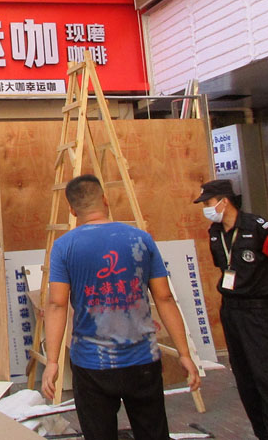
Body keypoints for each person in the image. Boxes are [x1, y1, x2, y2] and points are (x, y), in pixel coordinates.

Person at [42, 174, 200, 440]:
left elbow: (57, 304)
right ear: (105, 200)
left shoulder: (64, 247)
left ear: (72, 209)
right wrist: (184, 353)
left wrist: (52, 361)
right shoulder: (141, 239)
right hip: (142, 360)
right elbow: (164, 298)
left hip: (91, 364)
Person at [194, 179, 268, 440]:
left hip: (257, 312)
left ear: (224, 201)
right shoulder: (215, 232)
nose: (206, 209)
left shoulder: (257, 228)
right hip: (231, 310)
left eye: (208, 203)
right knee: (245, 380)